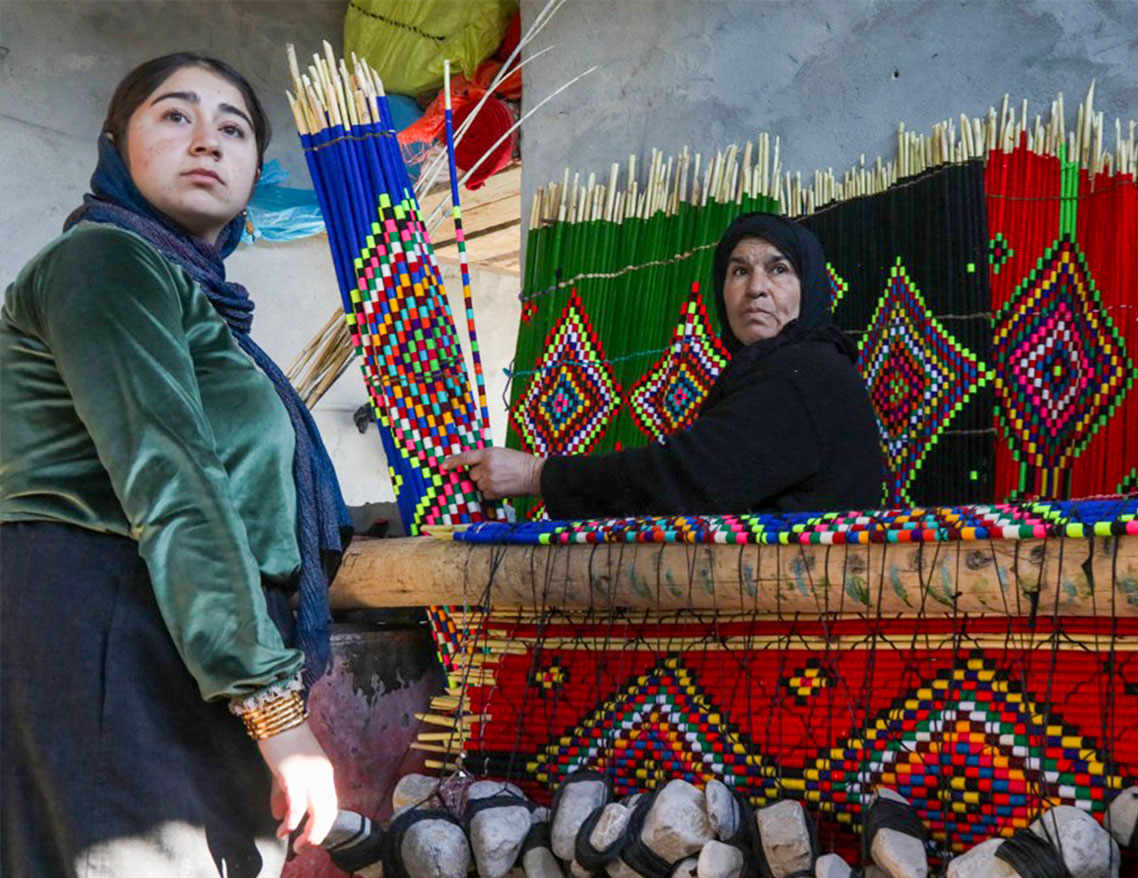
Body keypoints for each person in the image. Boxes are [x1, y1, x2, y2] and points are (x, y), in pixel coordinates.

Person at [1, 54, 350, 876]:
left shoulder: (190, 295)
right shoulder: (104, 262)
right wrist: (276, 711)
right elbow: (174, 478)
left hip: (168, 639)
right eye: (174, 116)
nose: (208, 141)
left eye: (233, 129)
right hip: (108, 627)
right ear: (116, 144)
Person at [444, 212, 884, 517]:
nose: (756, 289)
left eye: (779, 269)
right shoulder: (777, 371)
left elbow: (682, 479)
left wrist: (536, 474)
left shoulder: (805, 374)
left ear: (811, 289)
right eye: (738, 272)